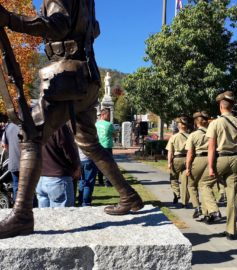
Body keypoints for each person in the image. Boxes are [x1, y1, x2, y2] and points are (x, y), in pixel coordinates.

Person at [0, 0, 143, 239]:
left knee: (30, 135)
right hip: (86, 76)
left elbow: (58, 25)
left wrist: (12, 20)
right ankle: (128, 195)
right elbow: (95, 28)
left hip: (68, 76)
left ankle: (23, 215)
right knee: (90, 144)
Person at [207, 91, 237, 240]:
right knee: (232, 195)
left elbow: (211, 147)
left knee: (204, 183)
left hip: (221, 158)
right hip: (236, 159)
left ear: (220, 106)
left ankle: (212, 210)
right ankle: (231, 230)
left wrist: (211, 167)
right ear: (232, 106)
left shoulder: (216, 123)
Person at [36, 124, 81, 208]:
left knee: (44, 217)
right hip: (57, 178)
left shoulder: (35, 125)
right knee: (63, 217)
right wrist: (77, 167)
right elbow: (69, 151)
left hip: (41, 177)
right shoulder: (58, 126)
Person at [185, 111, 209, 219]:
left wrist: (187, 167)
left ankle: (197, 207)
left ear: (196, 123)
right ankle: (207, 210)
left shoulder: (193, 135)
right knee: (206, 186)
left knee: (191, 184)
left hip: (198, 159)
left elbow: (190, 153)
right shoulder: (212, 134)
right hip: (210, 159)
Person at [166, 116, 190, 207]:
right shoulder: (190, 136)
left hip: (177, 158)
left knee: (173, 178)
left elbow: (170, 151)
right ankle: (184, 202)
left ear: (179, 126)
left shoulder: (174, 137)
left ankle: (177, 193)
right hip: (187, 158)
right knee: (185, 182)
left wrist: (169, 162)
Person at [95, 108, 115, 187]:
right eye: (108, 115)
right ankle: (108, 181)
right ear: (103, 115)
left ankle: (100, 182)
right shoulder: (109, 124)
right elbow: (114, 134)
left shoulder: (96, 124)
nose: (109, 117)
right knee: (108, 164)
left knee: (100, 164)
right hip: (107, 146)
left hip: (99, 145)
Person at [1, 122, 20, 202]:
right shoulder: (28, 125)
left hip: (14, 162)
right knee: (28, 186)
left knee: (16, 186)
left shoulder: (9, 127)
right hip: (27, 163)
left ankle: (17, 206)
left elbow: (4, 145)